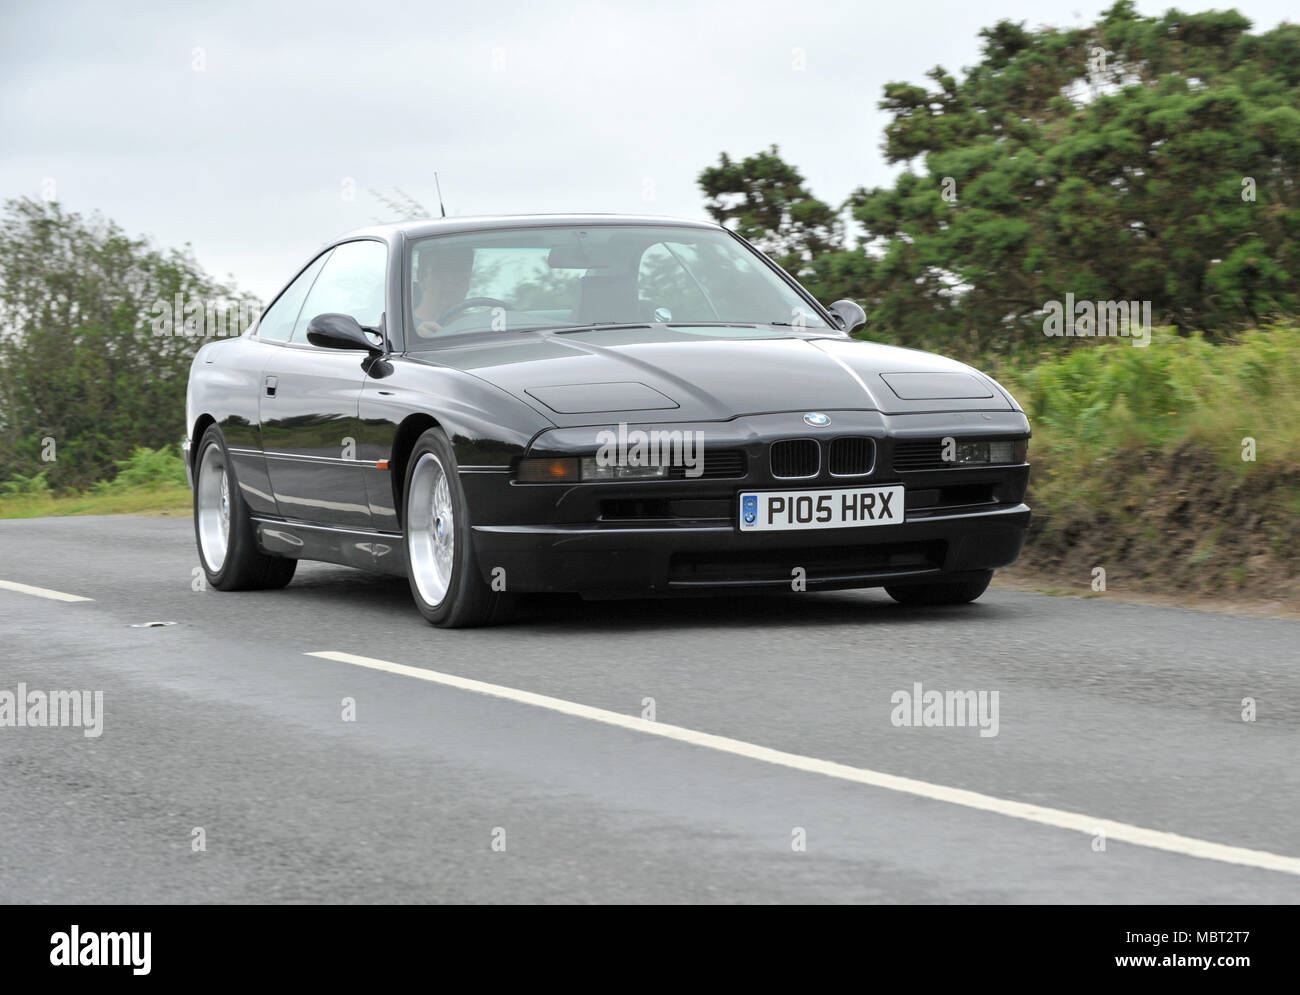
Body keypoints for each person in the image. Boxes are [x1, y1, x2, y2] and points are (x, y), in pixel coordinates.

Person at [412, 244, 474, 337]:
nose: (451, 279)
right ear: (421, 277)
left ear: (469, 279)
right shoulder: (403, 331)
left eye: (460, 270)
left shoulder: (482, 328)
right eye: (441, 269)